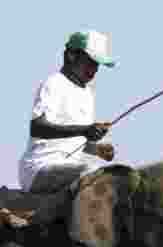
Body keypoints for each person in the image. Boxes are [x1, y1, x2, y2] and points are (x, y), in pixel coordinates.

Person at [2, 30, 116, 229]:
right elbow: (38, 128)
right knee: (89, 174)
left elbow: (71, 139)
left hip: (65, 171)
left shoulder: (88, 94)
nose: (94, 69)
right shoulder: (54, 84)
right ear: (71, 55)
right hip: (40, 168)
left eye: (97, 64)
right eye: (90, 61)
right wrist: (84, 130)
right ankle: (28, 217)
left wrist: (95, 148)